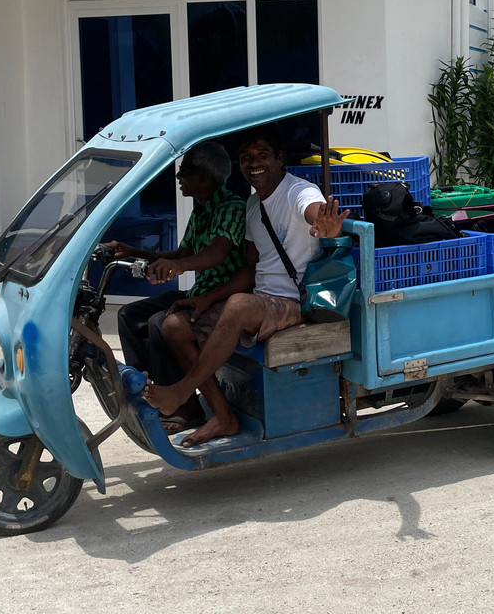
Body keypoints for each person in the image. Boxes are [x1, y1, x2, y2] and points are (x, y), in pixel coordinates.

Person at [145, 124, 349, 447]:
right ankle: (223, 416)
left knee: (239, 305)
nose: (254, 162)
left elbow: (315, 214)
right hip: (259, 301)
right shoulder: (253, 207)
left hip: (293, 303)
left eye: (262, 155)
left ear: (280, 159)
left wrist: (325, 225)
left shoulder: (299, 192)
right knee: (173, 325)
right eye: (246, 157)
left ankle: (181, 392)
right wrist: (206, 299)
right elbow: (250, 271)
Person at [106, 140, 247, 432]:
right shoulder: (201, 210)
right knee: (128, 316)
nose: (179, 178)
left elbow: (217, 252)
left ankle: (187, 409)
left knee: (161, 322)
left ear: (205, 177)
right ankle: (145, 388)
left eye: (185, 172)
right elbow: (184, 253)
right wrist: (134, 251)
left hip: (223, 296)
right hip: (199, 293)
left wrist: (180, 267)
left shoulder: (231, 207)